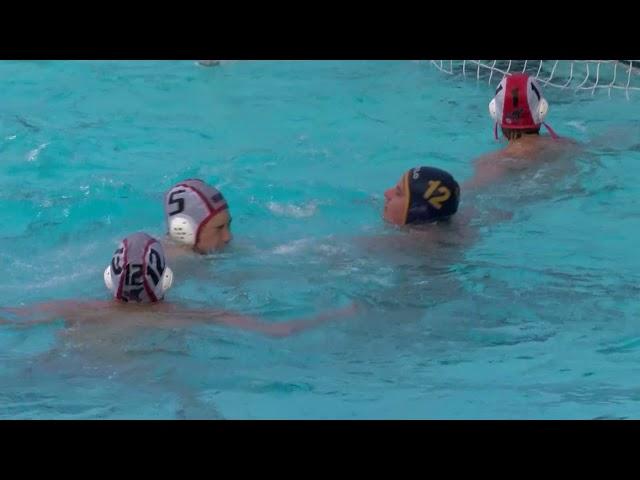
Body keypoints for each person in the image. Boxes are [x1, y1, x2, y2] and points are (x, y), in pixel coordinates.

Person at [0, 232, 355, 338]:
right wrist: (340, 312)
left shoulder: (75, 309)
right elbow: (279, 330)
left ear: (109, 278)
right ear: (166, 280)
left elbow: (10, 317)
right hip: (142, 379)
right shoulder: (192, 315)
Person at [464, 73, 580, 192]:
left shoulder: (491, 163)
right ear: (542, 110)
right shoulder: (567, 145)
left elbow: (466, 194)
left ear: (495, 113)